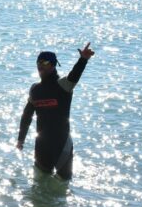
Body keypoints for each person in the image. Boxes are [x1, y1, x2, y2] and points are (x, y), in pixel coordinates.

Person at [17, 43, 95, 181]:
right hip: (42, 146)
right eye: (38, 62)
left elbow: (74, 76)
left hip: (62, 145)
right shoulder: (35, 89)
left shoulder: (63, 85)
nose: (40, 65)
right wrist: (20, 140)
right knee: (39, 186)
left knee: (63, 186)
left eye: (45, 62)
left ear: (53, 65)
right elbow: (27, 116)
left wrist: (83, 59)